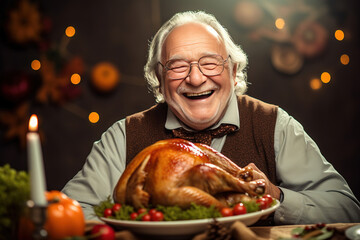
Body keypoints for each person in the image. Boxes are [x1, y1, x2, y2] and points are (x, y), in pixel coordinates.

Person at [62, 11, 360, 224]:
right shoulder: (124, 135)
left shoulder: (273, 124)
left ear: (232, 71)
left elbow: (346, 208)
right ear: (159, 78)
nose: (195, 78)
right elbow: (70, 214)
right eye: (178, 66)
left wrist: (276, 197)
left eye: (210, 63)